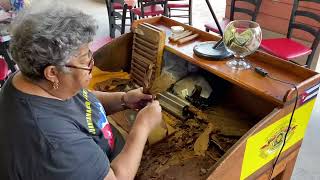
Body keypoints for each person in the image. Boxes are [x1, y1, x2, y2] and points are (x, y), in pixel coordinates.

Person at [0, 2, 162, 180]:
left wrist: (123, 99)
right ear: (52, 72)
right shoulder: (53, 144)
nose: (92, 65)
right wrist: (142, 126)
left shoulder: (32, 77)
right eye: (86, 61)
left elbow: (80, 99)